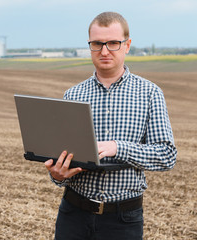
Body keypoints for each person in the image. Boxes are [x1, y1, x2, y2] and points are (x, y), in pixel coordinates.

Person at [44, 12, 177, 240]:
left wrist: (118, 147)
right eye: (97, 44)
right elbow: (62, 158)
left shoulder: (150, 94)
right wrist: (57, 175)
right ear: (90, 46)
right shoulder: (72, 94)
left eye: (113, 43)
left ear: (127, 45)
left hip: (122, 220)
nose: (104, 51)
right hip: (73, 215)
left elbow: (166, 155)